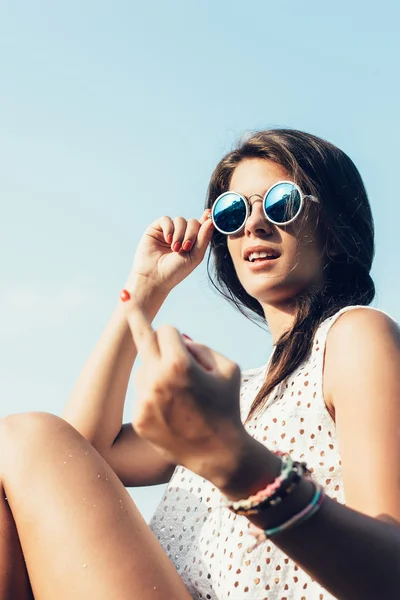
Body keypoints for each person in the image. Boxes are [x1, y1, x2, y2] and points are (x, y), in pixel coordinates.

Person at [1, 129, 399, 600]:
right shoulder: (238, 394)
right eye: (234, 212)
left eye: (279, 203)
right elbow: (81, 454)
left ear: (333, 232)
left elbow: (391, 572)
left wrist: (238, 462)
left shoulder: (355, 337)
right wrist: (144, 292)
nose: (253, 225)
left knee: (23, 434)